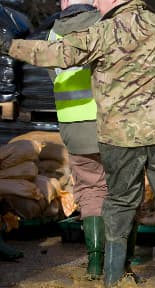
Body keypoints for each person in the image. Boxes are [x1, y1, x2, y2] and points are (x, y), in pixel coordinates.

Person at [0, 0, 155, 286]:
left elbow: (58, 54)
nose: (95, 3)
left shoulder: (104, 31)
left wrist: (10, 46)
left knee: (119, 204)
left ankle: (113, 279)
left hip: (120, 137)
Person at [48, 0, 107, 280]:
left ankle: (95, 262)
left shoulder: (53, 34)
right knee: (121, 189)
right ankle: (121, 260)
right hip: (106, 124)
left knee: (89, 189)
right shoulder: (104, 28)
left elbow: (53, 75)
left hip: (72, 125)